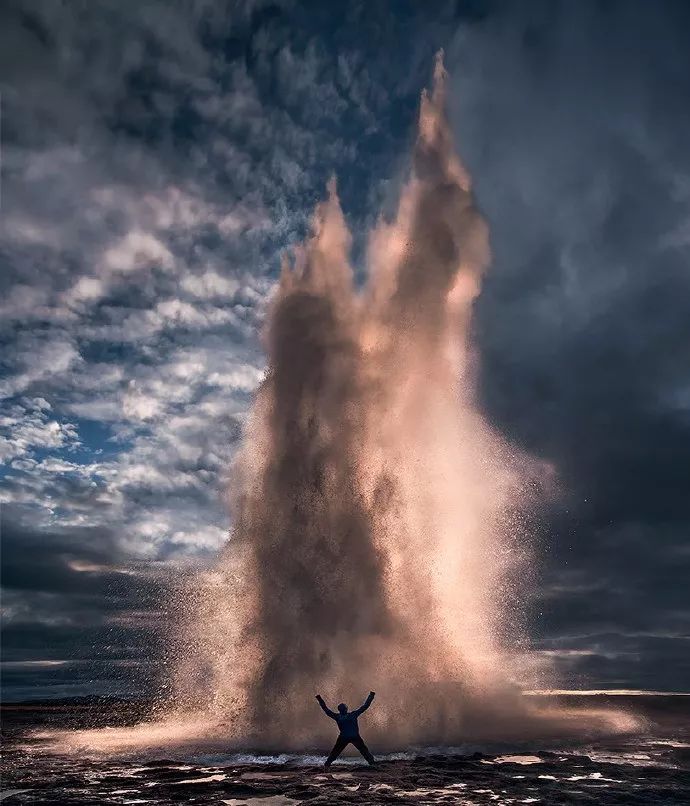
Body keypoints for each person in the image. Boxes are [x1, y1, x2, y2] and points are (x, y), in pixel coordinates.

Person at [315, 691, 376, 768]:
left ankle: (327, 764)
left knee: (336, 752)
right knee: (364, 751)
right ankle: (372, 763)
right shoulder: (352, 715)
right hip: (353, 737)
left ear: (339, 710)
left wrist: (319, 698)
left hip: (345, 737)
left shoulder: (338, 717)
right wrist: (371, 695)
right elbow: (365, 706)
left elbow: (325, 709)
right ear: (346, 709)